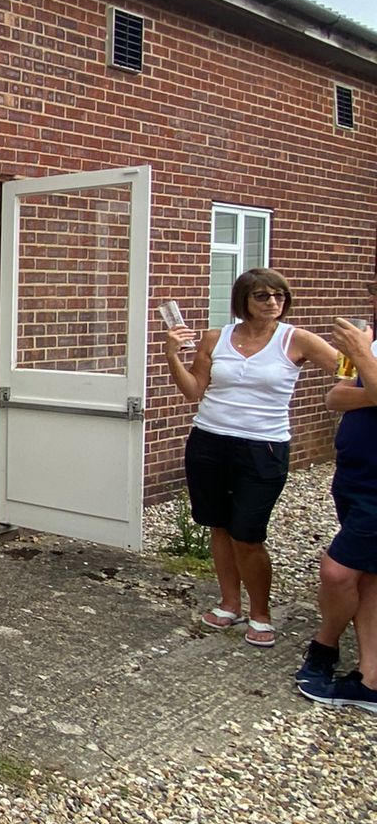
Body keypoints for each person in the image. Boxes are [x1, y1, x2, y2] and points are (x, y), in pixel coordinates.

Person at [162, 267, 337, 649]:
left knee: (248, 533)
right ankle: (229, 604)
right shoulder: (215, 337)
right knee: (219, 527)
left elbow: (348, 369)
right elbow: (193, 391)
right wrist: (172, 355)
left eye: (279, 296)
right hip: (209, 441)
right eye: (263, 296)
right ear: (244, 299)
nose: (273, 302)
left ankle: (260, 613)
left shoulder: (297, 339)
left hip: (264, 447)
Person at [297, 302, 377, 713]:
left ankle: (324, 644)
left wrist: (362, 354)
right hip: (356, 479)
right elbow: (335, 396)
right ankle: (369, 679)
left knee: (337, 570)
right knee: (366, 577)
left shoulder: (367, 348)